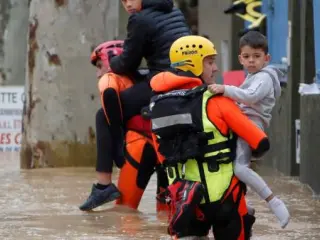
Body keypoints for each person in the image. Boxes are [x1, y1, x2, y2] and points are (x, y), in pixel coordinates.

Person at [147, 35, 270, 239]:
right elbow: (260, 142)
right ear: (194, 64)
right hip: (226, 201)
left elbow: (162, 158)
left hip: (185, 205)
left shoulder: (157, 106)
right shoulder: (217, 101)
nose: (216, 69)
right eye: (210, 62)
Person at [80, 0, 191, 207]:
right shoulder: (174, 12)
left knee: (102, 115)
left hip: (163, 82)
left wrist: (109, 64)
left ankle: (104, 185)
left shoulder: (139, 19)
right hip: (187, 83)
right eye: (123, 1)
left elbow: (127, 62)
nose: (127, 4)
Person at [208, 30, 290, 228]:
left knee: (240, 167)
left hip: (250, 126)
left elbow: (250, 96)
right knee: (229, 168)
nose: (251, 61)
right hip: (240, 123)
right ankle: (244, 206)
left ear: (266, 58)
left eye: (256, 56)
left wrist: (224, 89)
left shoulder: (264, 77)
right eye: (247, 57)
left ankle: (274, 202)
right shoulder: (252, 76)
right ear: (240, 59)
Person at [79, 41, 169, 212]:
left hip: (138, 147)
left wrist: (117, 143)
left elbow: (109, 93)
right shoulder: (156, 77)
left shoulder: (111, 78)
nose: (98, 74)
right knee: (167, 217)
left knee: (125, 214)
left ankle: (103, 185)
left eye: (99, 66)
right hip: (169, 150)